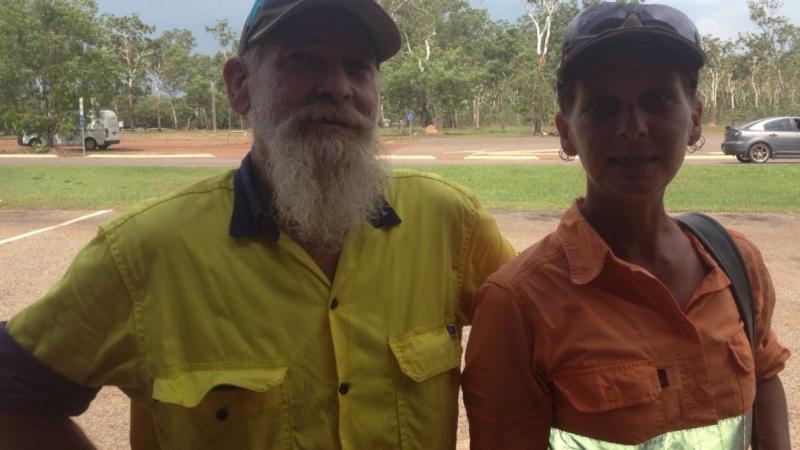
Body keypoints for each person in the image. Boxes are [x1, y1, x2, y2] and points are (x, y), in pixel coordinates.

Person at [0, 0, 514, 448]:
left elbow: (550, 335)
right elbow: (12, 395)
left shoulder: (450, 225)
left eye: (358, 67)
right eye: (302, 59)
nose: (337, 86)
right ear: (239, 85)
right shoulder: (143, 253)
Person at [462, 3, 791, 449]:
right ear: (565, 132)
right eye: (602, 106)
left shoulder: (735, 262)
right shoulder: (518, 303)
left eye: (657, 100)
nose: (633, 128)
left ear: (694, 119)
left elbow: (766, 380)